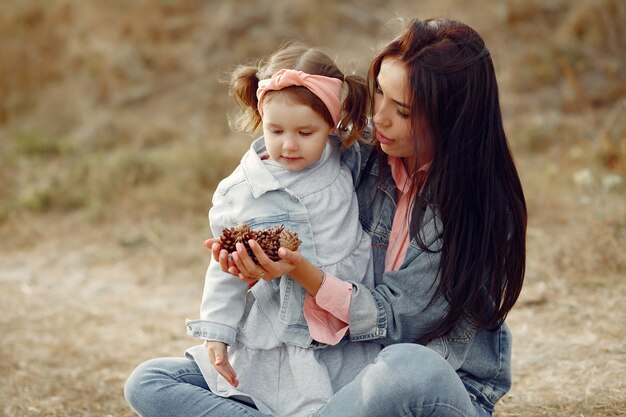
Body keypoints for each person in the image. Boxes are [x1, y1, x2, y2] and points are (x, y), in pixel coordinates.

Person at [208, 18, 527, 417]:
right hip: (349, 373)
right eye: (379, 92)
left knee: (410, 367)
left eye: (405, 111)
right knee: (153, 381)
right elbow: (294, 186)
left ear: (453, 117)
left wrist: (304, 272)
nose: (380, 119)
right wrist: (253, 262)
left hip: (431, 386)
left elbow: (400, 323)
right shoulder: (362, 160)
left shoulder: (476, 207)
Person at [125, 43, 381, 417]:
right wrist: (218, 331)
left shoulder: (345, 155)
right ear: (261, 116)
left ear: (332, 123)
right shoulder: (241, 192)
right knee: (147, 382)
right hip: (280, 336)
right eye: (276, 130)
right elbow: (224, 269)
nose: (289, 145)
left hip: (346, 333)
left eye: (305, 132)